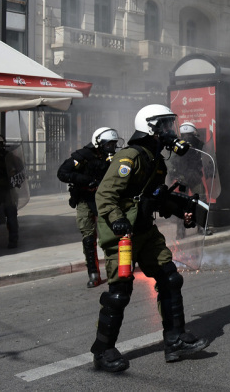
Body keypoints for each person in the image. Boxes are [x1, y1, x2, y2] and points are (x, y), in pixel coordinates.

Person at [89, 104, 208, 372]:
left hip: (144, 230)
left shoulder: (155, 159)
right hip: (124, 236)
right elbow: (105, 195)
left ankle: (175, 340)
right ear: (149, 127)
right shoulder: (129, 157)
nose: (169, 130)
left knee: (169, 277)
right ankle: (103, 350)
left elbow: (155, 197)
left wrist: (182, 209)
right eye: (164, 125)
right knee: (120, 293)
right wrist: (117, 219)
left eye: (170, 124)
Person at [57, 127, 120, 287]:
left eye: (114, 144)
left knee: (109, 235)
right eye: (108, 145)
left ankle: (115, 270)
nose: (111, 148)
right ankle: (93, 273)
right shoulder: (83, 156)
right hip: (85, 199)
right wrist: (86, 181)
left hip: (104, 200)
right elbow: (62, 173)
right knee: (88, 236)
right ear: (98, 143)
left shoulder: (111, 158)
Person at [169, 122, 214, 234]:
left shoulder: (197, 145)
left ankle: (195, 228)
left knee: (197, 202)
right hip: (185, 179)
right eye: (187, 135)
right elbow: (171, 162)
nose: (188, 138)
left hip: (190, 177)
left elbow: (205, 158)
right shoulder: (182, 145)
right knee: (195, 202)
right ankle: (183, 230)